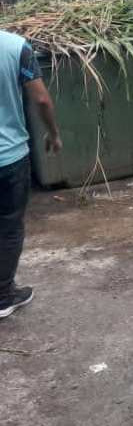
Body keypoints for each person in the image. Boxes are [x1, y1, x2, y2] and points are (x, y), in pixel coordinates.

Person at [0, 28, 61, 319]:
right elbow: (41, 100)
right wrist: (53, 133)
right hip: (8, 157)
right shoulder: (15, 46)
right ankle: (3, 295)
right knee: (9, 226)